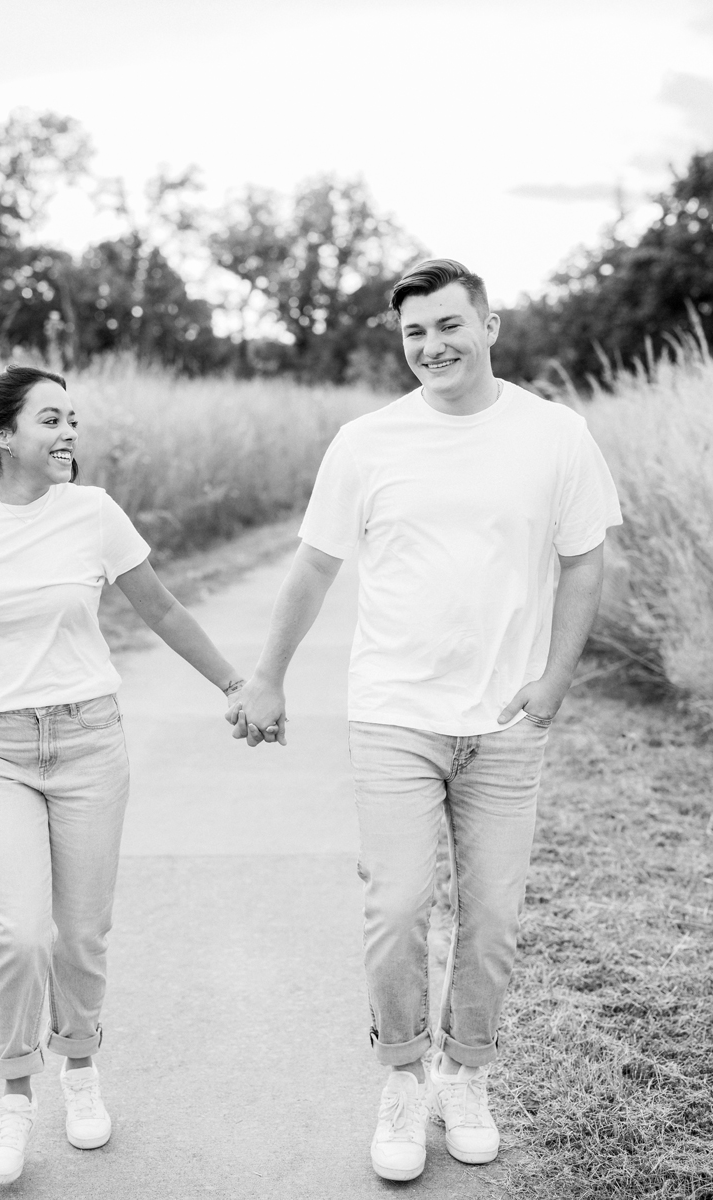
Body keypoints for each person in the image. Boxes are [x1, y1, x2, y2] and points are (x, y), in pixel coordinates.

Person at [228, 259, 622, 1182]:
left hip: (504, 721)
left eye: (450, 325)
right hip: (395, 713)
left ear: (491, 325)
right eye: (414, 333)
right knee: (398, 906)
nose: (433, 346)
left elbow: (584, 564)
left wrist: (552, 687)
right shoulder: (368, 442)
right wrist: (269, 677)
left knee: (491, 918)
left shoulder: (555, 435)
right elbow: (315, 567)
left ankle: (468, 1075)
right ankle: (403, 1080)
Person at [0, 365, 244, 1187]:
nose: (69, 432)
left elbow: (163, 609)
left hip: (86, 741)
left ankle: (80, 1071)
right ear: (3, 435)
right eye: (51, 419)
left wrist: (234, 684)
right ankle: (12, 1098)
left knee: (79, 934)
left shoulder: (95, 513)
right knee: (20, 932)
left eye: (74, 418)